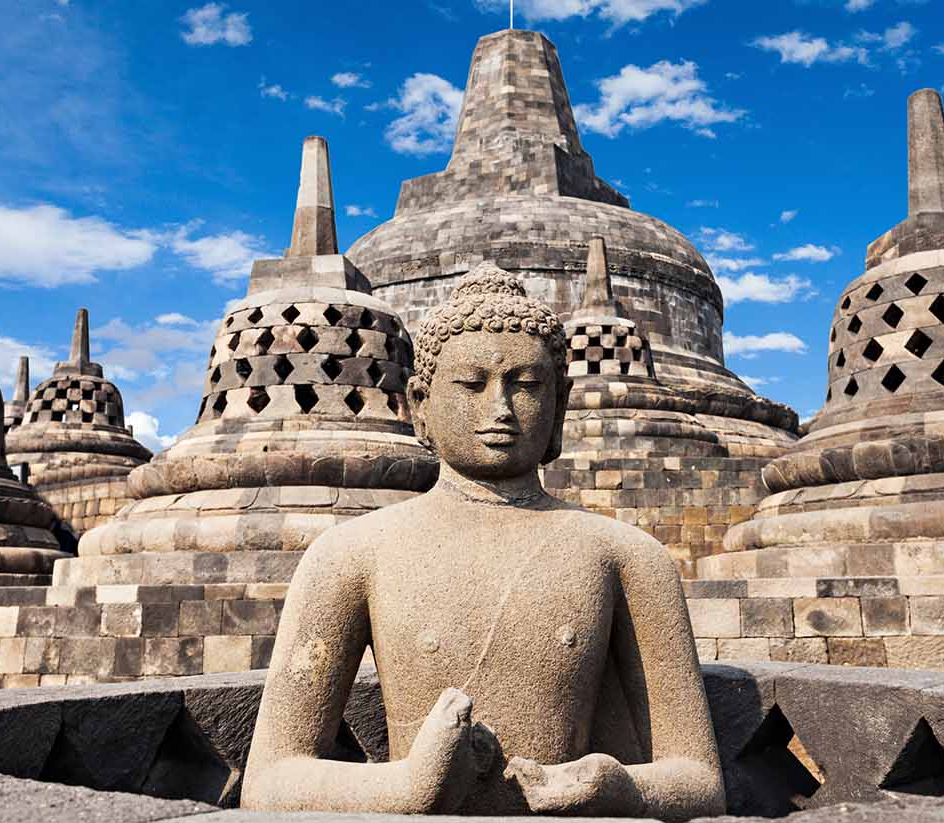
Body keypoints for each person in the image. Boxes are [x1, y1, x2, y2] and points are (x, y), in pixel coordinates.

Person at [242, 265, 726, 819]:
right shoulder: (351, 555)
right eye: (471, 385)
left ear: (560, 404)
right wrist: (405, 789)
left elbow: (699, 781)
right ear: (419, 405)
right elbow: (272, 777)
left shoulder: (626, 556)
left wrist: (613, 785)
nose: (500, 409)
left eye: (526, 386)